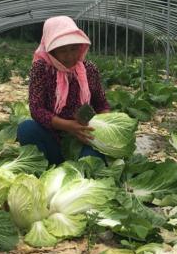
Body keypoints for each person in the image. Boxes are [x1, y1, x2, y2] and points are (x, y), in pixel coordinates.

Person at [17, 15, 110, 165]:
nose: (70, 56)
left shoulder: (89, 69)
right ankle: (47, 165)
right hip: (53, 137)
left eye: (74, 49)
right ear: (51, 51)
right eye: (62, 51)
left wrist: (103, 126)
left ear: (81, 47)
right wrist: (68, 126)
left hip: (83, 138)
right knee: (26, 129)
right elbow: (37, 109)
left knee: (91, 162)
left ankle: (78, 169)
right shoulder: (41, 69)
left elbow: (101, 104)